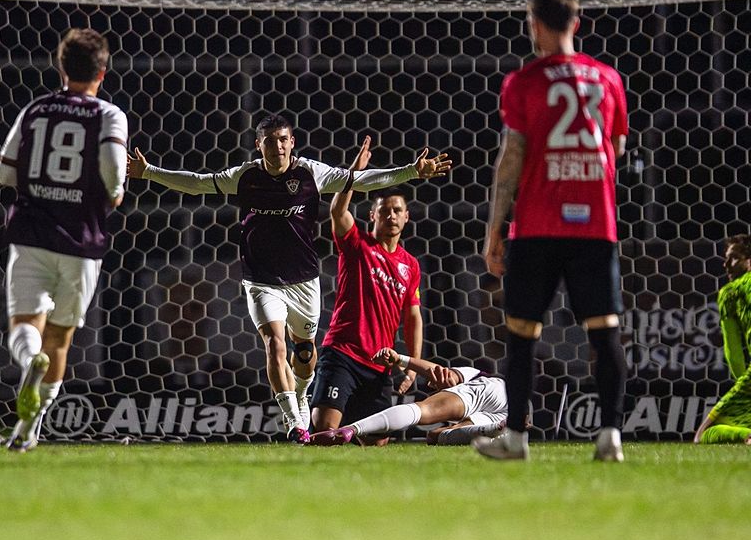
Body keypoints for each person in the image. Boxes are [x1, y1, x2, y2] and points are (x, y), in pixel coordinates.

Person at [128, 116, 448, 442]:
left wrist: (411, 171)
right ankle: (294, 420)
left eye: (283, 139)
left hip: (304, 282)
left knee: (305, 356)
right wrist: (149, 172)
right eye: (270, 140)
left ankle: (304, 390)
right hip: (261, 280)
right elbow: (197, 182)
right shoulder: (246, 176)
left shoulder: (310, 172)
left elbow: (362, 181)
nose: (277, 146)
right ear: (259, 144)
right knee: (275, 345)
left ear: (292, 142)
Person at [474, 0, 630, 462]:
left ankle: (517, 438)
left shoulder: (523, 82)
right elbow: (617, 149)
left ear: (535, 25)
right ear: (576, 23)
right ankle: (610, 438)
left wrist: (494, 228)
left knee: (522, 334)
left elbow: (512, 156)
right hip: (595, 224)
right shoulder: (607, 78)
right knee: (603, 331)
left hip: (539, 223)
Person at [0, 28, 128, 452]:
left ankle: (27, 363)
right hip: (81, 241)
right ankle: (27, 433)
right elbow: (112, 169)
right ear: (102, 73)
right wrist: (114, 191)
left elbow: (3, 171)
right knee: (60, 340)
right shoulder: (109, 115)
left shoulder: (36, 109)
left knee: (25, 328)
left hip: (32, 234)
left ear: (60, 67)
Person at [308, 139, 450, 444]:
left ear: (406, 217)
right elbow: (337, 211)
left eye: (397, 210)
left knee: (378, 443)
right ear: (373, 215)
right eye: (384, 210)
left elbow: (413, 317)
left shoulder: (410, 265)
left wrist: (411, 364)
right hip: (342, 355)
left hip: (380, 363)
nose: (391, 215)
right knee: (323, 430)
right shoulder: (357, 245)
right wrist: (353, 175)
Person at [309, 347, 507, 446]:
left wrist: (400, 359)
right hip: (504, 412)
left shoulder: (473, 374)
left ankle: (350, 429)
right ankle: (495, 429)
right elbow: (441, 375)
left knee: (425, 410)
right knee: (435, 436)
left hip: (496, 391)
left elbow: (443, 373)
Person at [693, 235, 751, 444]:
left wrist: (744, 386)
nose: (726, 264)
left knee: (702, 435)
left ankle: (746, 436)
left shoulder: (730, 292)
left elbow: (733, 352)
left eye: (733, 258)